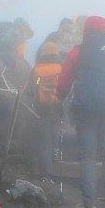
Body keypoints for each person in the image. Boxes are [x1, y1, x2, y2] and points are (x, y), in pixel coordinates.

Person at [56, 15, 105, 208]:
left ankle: (89, 206)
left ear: (86, 31)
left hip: (86, 110)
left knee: (88, 156)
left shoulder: (77, 52)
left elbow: (63, 83)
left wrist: (61, 97)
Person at [26, 40, 66, 179]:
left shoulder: (37, 69)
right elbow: (64, 87)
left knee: (44, 138)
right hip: (57, 104)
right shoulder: (60, 68)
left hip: (42, 107)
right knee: (55, 127)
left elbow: (32, 87)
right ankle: (55, 151)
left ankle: (46, 173)